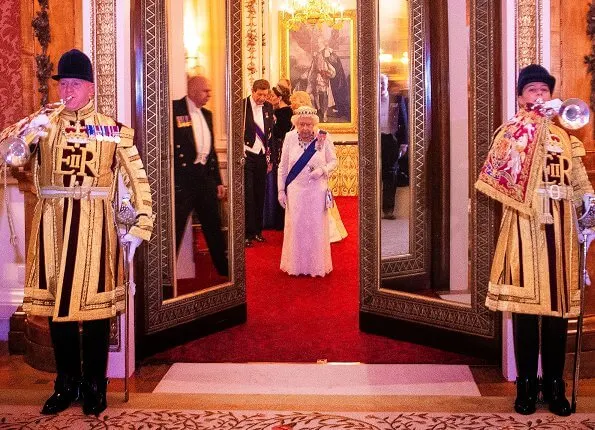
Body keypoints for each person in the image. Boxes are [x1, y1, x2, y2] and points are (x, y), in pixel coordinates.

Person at [3, 49, 153, 416]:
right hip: (52, 225)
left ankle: (94, 384)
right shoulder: (45, 124)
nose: (67, 89)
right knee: (58, 309)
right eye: (63, 83)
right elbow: (9, 156)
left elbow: (138, 179)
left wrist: (140, 223)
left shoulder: (111, 129)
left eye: (75, 83)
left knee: (96, 312)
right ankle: (65, 382)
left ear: (90, 88)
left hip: (95, 225)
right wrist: (24, 133)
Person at [475, 64, 595, 416]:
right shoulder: (510, 133)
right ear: (521, 97)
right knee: (526, 313)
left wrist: (588, 210)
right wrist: (527, 128)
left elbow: (579, 184)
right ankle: (526, 384)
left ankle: (554, 384)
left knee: (558, 314)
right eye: (532, 91)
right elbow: (496, 176)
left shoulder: (568, 138)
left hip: (561, 233)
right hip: (524, 227)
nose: (539, 95)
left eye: (544, 90)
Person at [172, 75, 228, 277]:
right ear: (193, 90)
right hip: (183, 181)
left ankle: (224, 270)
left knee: (213, 226)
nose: (209, 95)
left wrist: (218, 181)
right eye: (206, 91)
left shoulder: (207, 114)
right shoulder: (174, 109)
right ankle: (166, 275)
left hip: (205, 179)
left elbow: (211, 151)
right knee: (175, 228)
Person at [277, 106, 337, 276]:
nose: (304, 128)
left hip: (317, 191)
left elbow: (334, 161)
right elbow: (282, 166)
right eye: (301, 124)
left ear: (314, 125)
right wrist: (281, 190)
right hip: (295, 189)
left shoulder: (323, 137)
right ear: (296, 124)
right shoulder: (289, 138)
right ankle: (296, 267)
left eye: (308, 125)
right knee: (296, 227)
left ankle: (315, 267)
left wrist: (323, 170)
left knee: (315, 228)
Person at [243, 79, 275, 247]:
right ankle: (246, 233)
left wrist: (271, 160)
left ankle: (257, 231)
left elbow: (271, 137)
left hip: (262, 156)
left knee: (259, 194)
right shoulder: (241, 106)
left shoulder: (269, 108)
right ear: (253, 91)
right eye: (260, 94)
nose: (262, 98)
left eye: (265, 94)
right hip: (247, 155)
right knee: (248, 195)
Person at [263, 85, 293, 230]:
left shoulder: (285, 113)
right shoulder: (277, 112)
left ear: (279, 98)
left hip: (281, 152)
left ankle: (279, 219)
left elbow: (280, 134)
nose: (269, 98)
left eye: (271, 96)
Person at [379, 74, 408, 219]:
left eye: (383, 82)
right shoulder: (370, 100)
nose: (381, 86)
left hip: (391, 139)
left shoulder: (396, 98)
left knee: (391, 173)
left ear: (387, 84)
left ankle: (388, 209)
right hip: (376, 140)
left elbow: (404, 118)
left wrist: (404, 142)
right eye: (379, 83)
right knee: (375, 172)